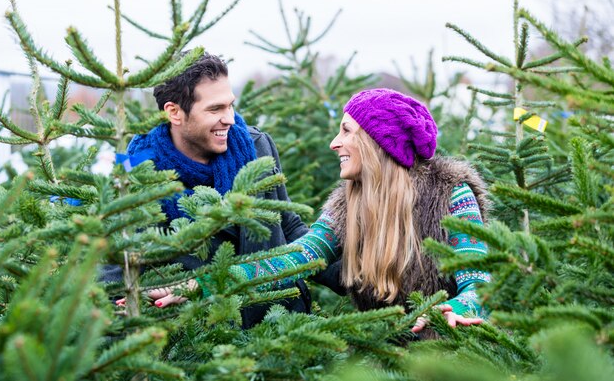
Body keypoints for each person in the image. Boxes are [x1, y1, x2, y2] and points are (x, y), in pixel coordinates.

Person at [148, 88, 491, 335]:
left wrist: (462, 306)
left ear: (377, 143)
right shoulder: (347, 203)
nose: (334, 142)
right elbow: (297, 256)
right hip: (380, 353)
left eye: (346, 131)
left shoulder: (449, 193)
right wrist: (202, 285)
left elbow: (477, 279)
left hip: (451, 352)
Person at [105, 52, 340, 328]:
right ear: (174, 112)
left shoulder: (257, 146)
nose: (229, 118)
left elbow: (289, 227)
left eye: (230, 106)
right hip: (207, 345)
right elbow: (112, 264)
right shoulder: (137, 173)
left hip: (283, 326)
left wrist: (363, 285)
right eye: (215, 109)